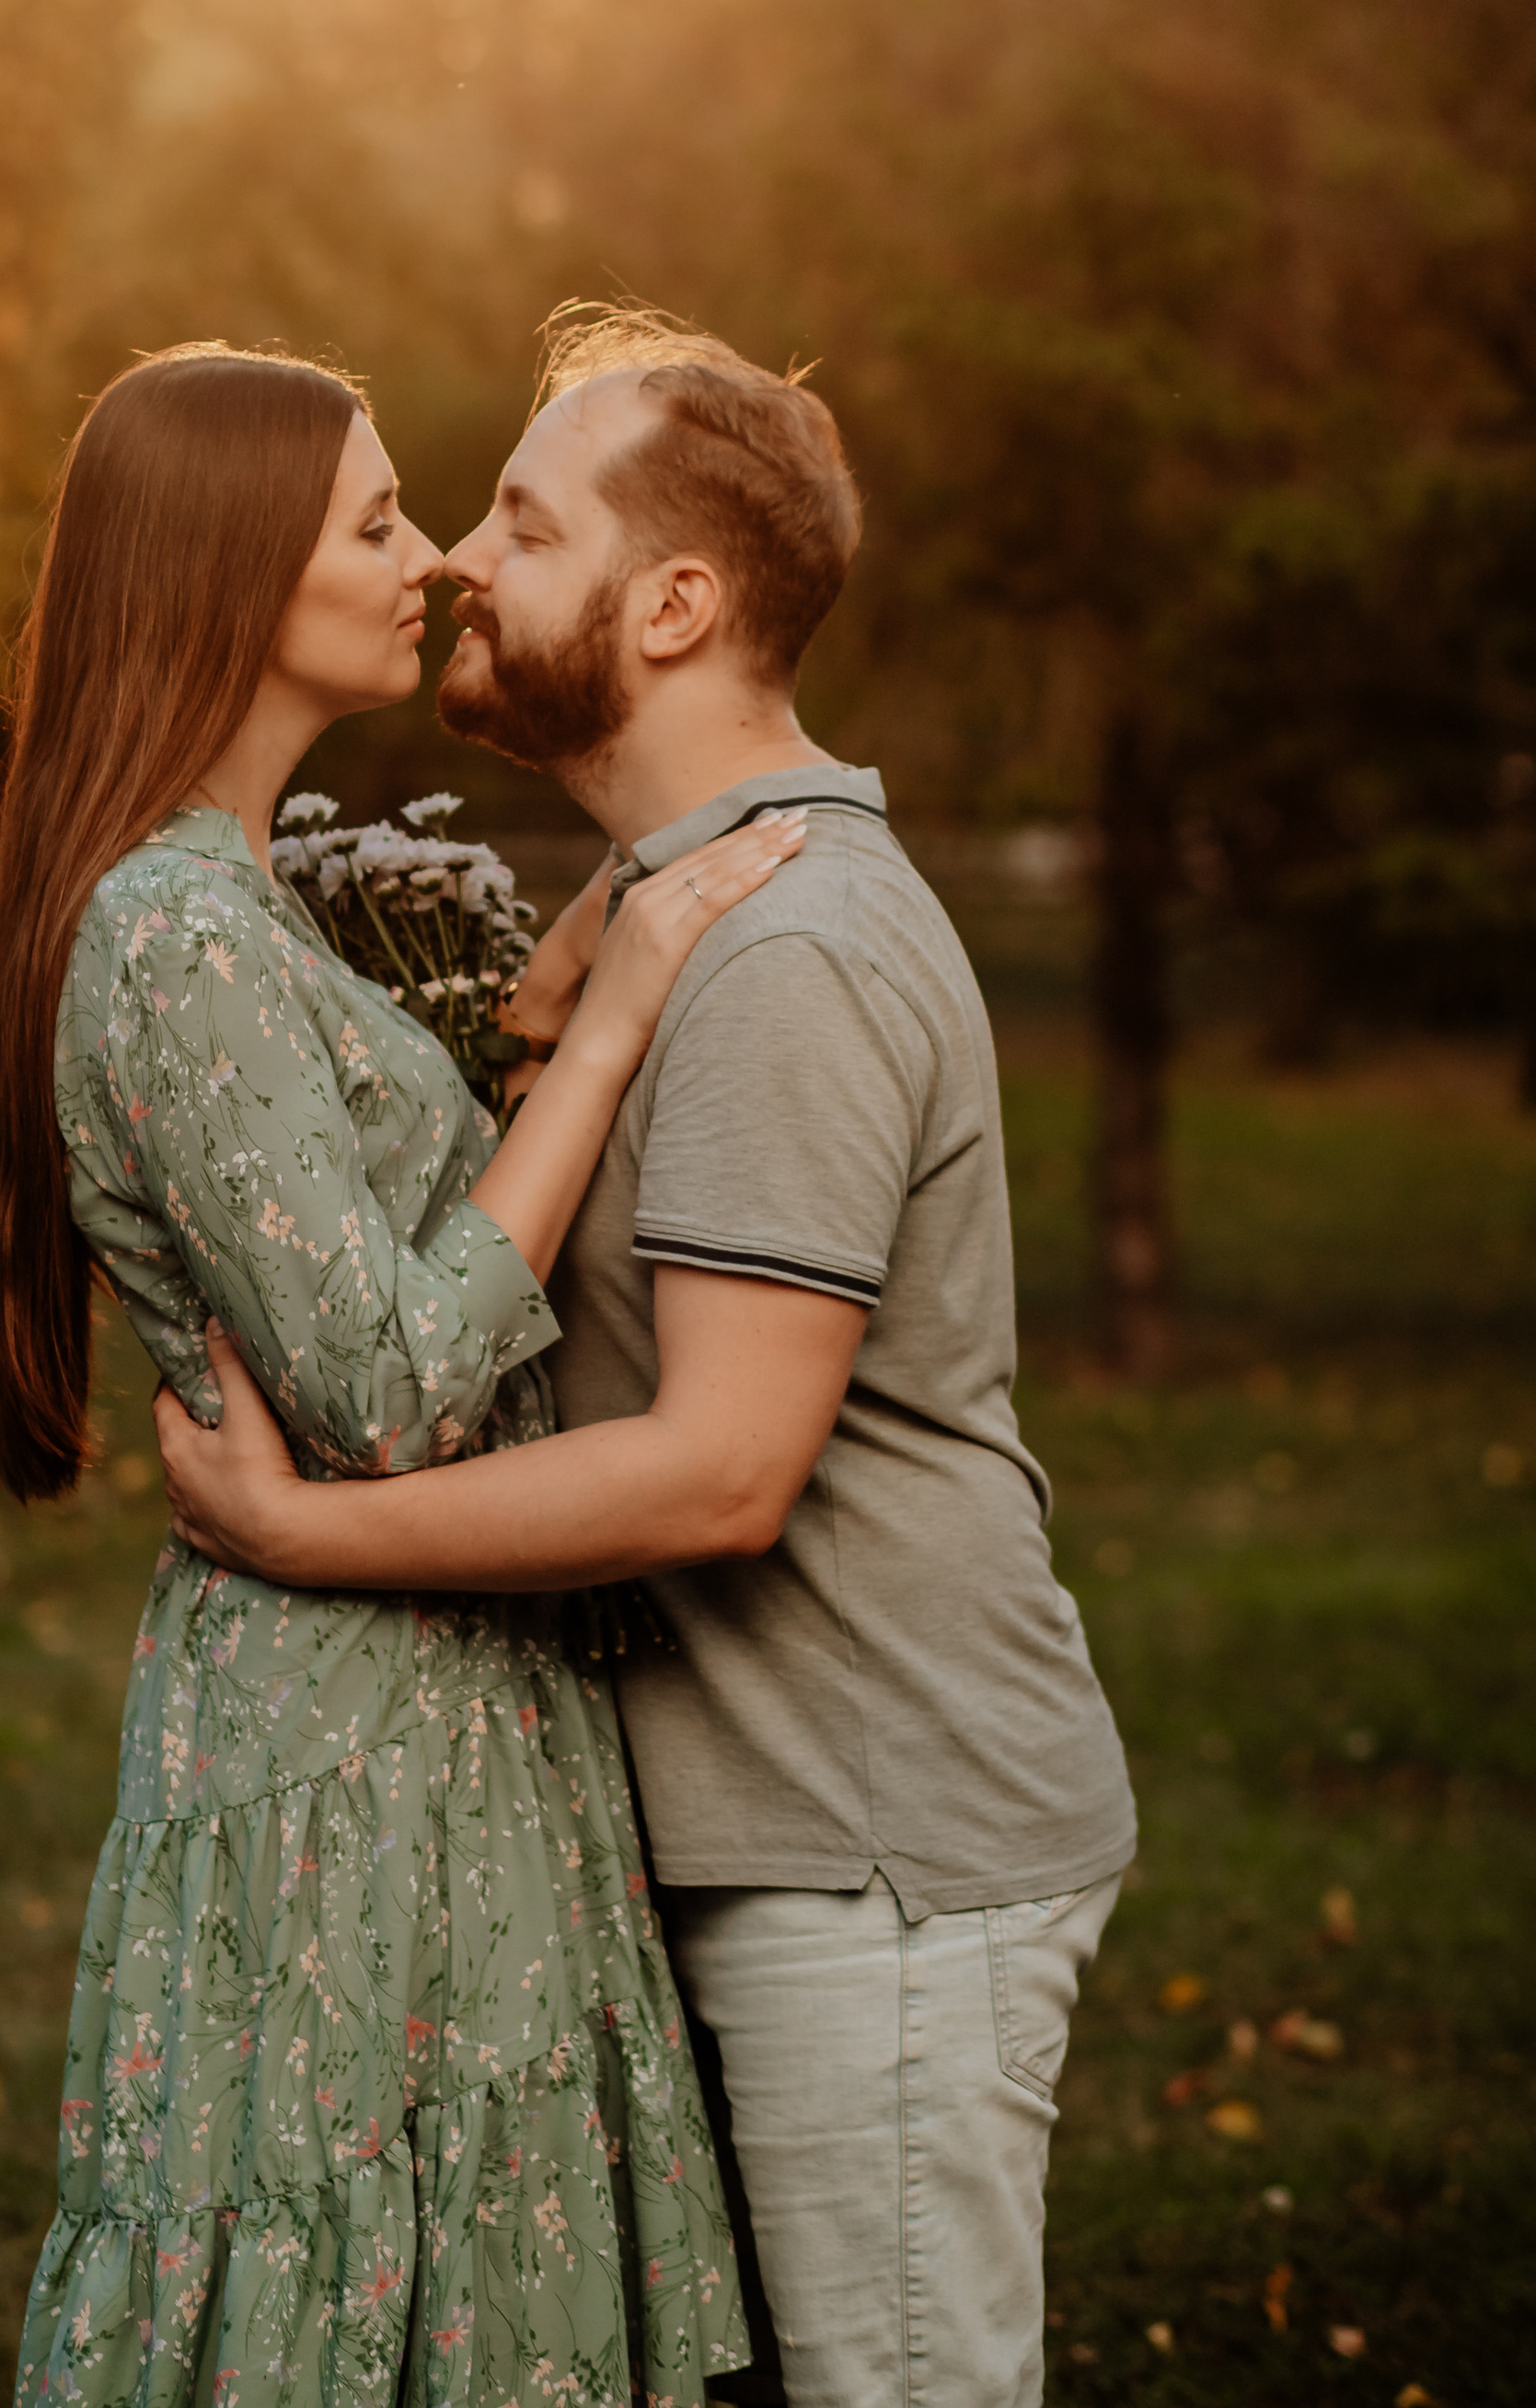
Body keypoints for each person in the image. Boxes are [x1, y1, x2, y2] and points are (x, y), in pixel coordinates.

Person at [156, 307, 1138, 2408]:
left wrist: (302, 1536)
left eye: (517, 518)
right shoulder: (680, 899)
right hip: (754, 1836)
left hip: (867, 1856)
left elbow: (717, 1473)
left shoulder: (783, 948)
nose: (455, 564)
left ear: (671, 601)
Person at [0, 340, 809, 2408]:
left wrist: (534, 1005)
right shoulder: (172, 934)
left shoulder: (248, 907)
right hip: (347, 1755)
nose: (430, 563)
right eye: (373, 524)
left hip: (439, 1705)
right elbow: (382, 1392)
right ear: (226, 577)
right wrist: (606, 1037)